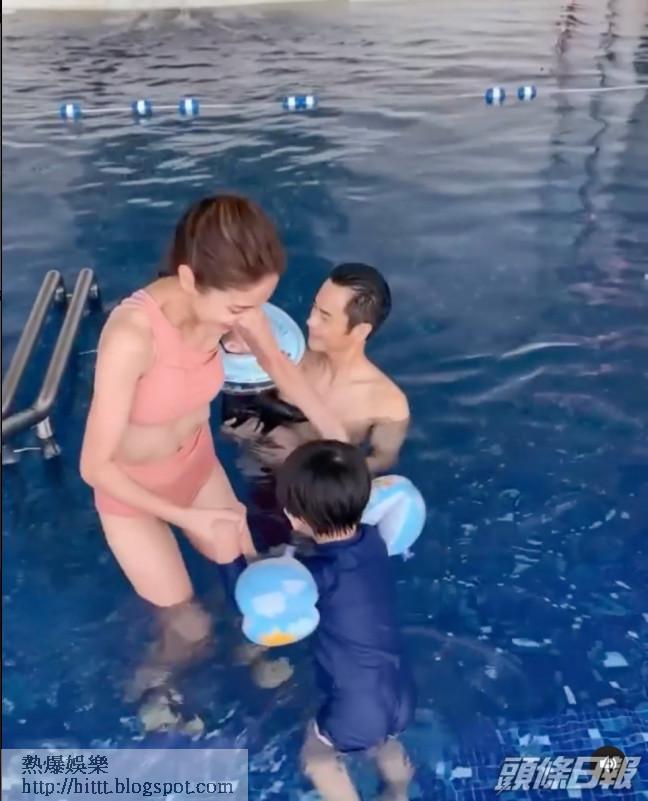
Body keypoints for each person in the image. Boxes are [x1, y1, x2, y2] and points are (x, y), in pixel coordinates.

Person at [79, 195, 347, 698]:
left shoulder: (238, 310)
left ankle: (251, 654)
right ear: (188, 279)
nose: (247, 319)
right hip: (132, 494)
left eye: (257, 304)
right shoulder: (133, 337)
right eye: (238, 308)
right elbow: (94, 466)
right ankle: (154, 689)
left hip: (196, 467)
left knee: (252, 582)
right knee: (188, 626)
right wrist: (190, 519)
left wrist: (338, 436)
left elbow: (282, 369)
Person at [275, 440, 415, 801]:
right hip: (399, 690)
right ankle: (398, 789)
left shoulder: (316, 575)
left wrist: (234, 558)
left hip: (356, 706)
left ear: (295, 517)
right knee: (382, 738)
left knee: (317, 758)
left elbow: (268, 599)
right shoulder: (374, 540)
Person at [223, 263, 410, 475]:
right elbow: (240, 409)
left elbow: (382, 460)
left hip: (312, 487)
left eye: (325, 316)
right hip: (259, 468)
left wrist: (306, 462)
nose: (310, 321)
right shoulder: (291, 358)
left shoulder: (388, 404)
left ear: (360, 331)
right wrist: (241, 432)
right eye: (314, 307)